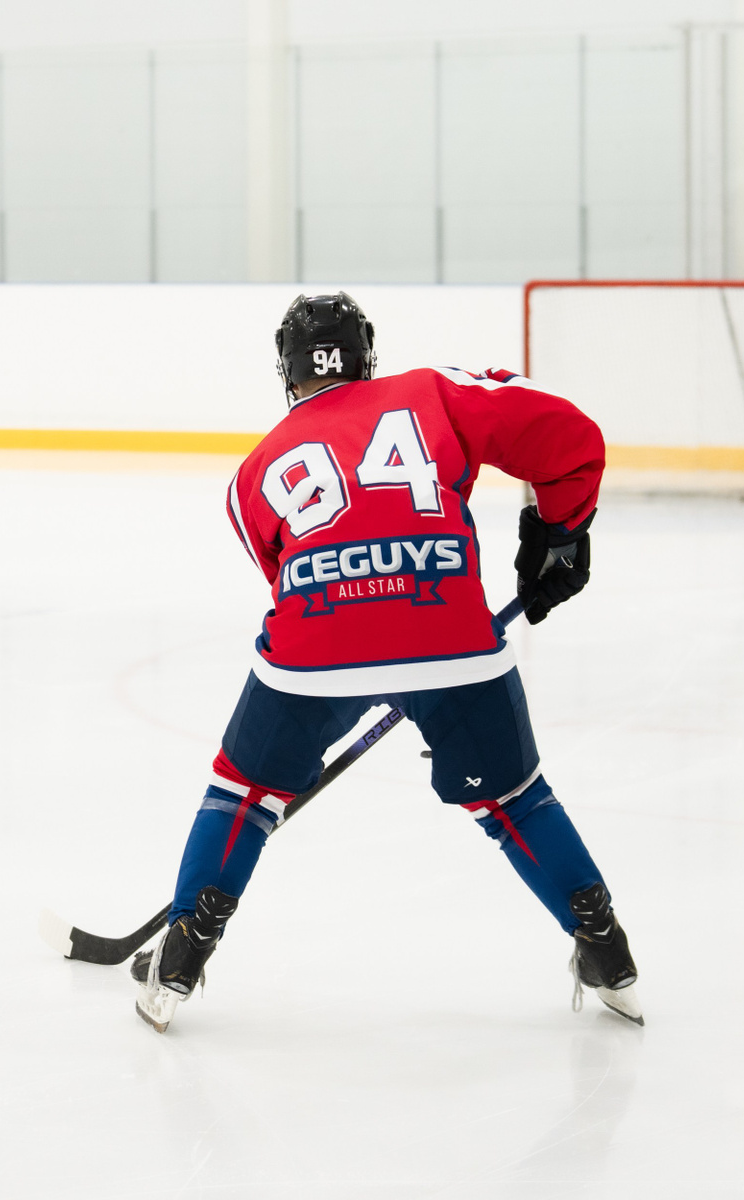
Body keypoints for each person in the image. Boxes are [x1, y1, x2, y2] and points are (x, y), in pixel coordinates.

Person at [133, 293, 642, 1033]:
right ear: (367, 355)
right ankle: (604, 945)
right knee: (516, 799)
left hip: (317, 649)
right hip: (451, 637)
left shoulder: (252, 474)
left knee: (243, 792)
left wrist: (367, 628)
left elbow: (289, 580)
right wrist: (558, 532)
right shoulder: (435, 392)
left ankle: (181, 955)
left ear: (288, 371)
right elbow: (568, 434)